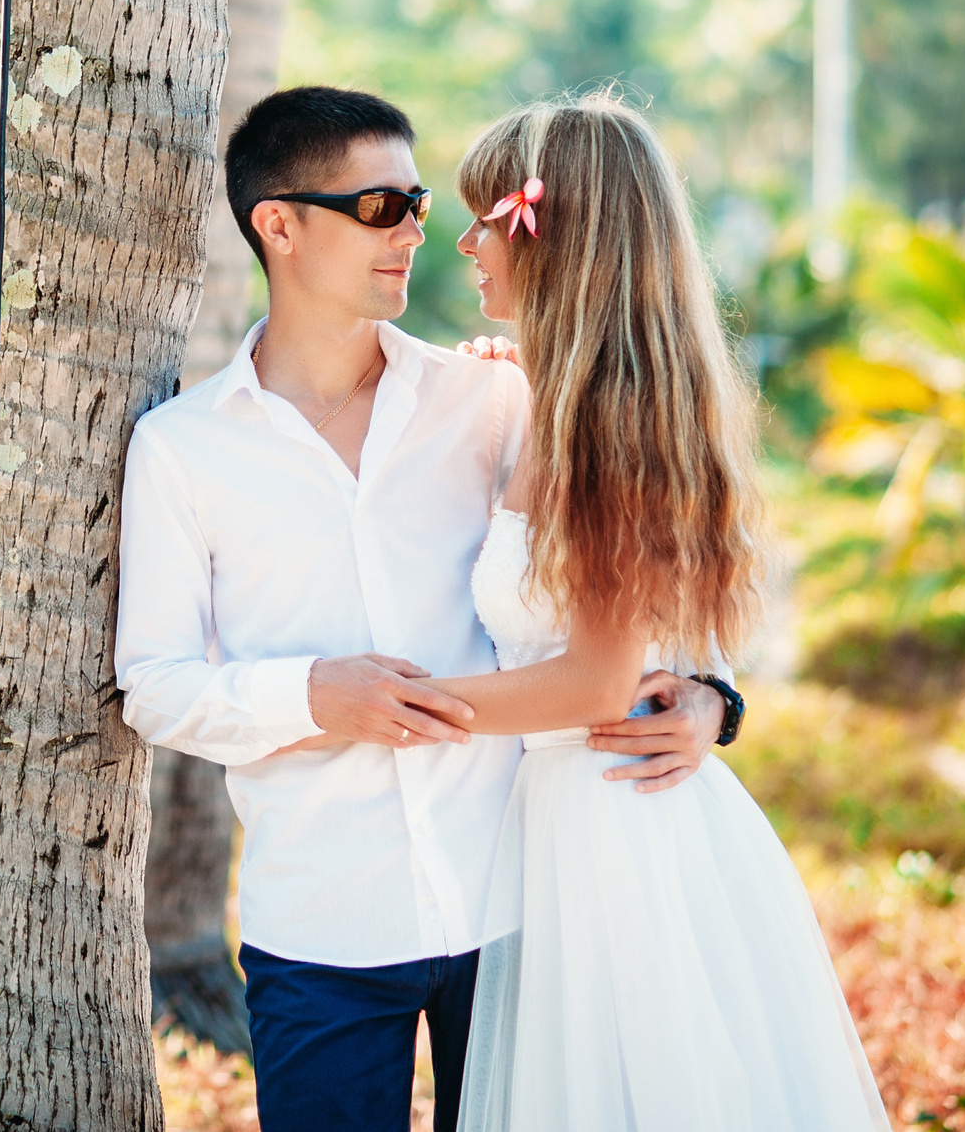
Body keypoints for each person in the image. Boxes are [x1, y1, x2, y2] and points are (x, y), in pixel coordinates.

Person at [113, 86, 734, 1132]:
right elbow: (156, 686)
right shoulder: (183, 447)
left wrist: (713, 694)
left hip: (518, 907)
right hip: (321, 923)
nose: (416, 229)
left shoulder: (495, 398)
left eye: (417, 202)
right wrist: (311, 694)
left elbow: (634, 572)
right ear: (280, 223)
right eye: (380, 205)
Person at [427, 92, 890, 1132]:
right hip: (571, 807)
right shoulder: (549, 398)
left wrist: (381, 699)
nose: (463, 243)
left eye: (484, 218)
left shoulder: (609, 425)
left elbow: (595, 680)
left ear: (553, 234)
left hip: (606, 821)